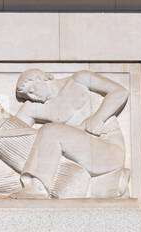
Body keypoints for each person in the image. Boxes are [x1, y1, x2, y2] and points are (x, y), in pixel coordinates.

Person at [12, 69, 130, 199]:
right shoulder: (34, 107)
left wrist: (99, 117)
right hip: (83, 157)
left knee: (50, 130)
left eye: (31, 90)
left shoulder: (80, 79)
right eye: (28, 95)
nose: (32, 97)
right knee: (51, 131)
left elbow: (120, 92)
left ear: (40, 79)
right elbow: (15, 134)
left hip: (108, 151)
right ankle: (34, 186)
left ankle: (38, 188)